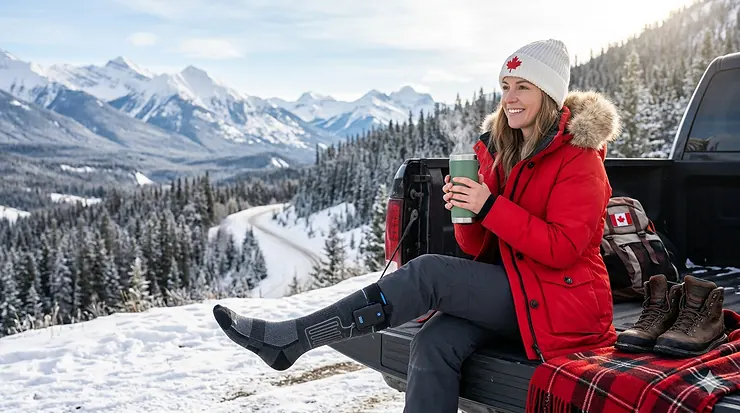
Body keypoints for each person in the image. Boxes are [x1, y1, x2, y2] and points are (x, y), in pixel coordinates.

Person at [212, 38, 621, 413]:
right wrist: (468, 211)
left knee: (429, 272)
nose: (509, 99)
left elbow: (563, 248)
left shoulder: (580, 160)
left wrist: (490, 205)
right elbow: (479, 247)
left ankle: (294, 337)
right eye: (505, 86)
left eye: (522, 87)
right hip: (519, 292)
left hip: (567, 306)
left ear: (547, 93)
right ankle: (291, 341)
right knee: (433, 342)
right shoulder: (504, 152)